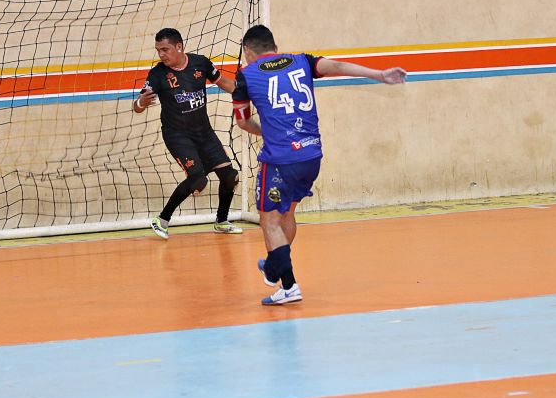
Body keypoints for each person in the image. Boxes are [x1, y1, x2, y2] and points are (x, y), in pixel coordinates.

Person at [232, 25, 407, 305]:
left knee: (269, 221)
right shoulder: (303, 61)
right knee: (287, 215)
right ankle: (276, 265)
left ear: (249, 52)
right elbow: (337, 65)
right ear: (274, 46)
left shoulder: (246, 75)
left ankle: (288, 285)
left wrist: (270, 132)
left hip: (280, 160)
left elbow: (242, 121)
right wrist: (379, 75)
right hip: (311, 157)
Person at [134, 28, 243, 239]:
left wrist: (246, 94)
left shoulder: (200, 63)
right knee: (197, 179)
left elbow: (224, 83)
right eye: (158, 50)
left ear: (179, 47)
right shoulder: (158, 74)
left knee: (230, 176)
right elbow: (138, 106)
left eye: (165, 49)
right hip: (177, 136)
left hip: (204, 132)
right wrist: (141, 102)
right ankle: (162, 220)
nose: (161, 54)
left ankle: (221, 221)